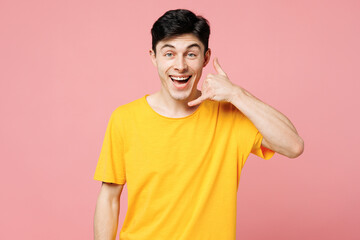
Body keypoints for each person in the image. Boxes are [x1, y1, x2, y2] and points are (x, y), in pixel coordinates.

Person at [93, 9, 304, 240]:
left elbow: (293, 146)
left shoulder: (229, 116)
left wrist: (237, 94)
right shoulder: (125, 119)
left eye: (191, 55)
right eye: (169, 54)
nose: (180, 66)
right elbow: (109, 198)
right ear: (154, 57)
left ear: (205, 58)